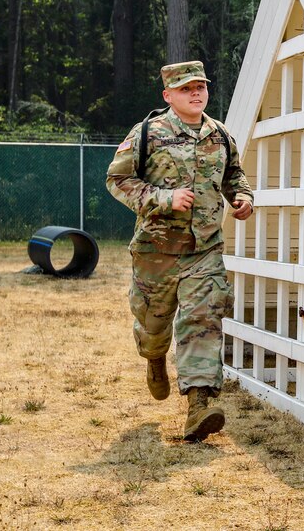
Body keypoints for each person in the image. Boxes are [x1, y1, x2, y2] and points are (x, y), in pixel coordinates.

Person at [106, 60, 253, 442]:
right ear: (168, 95)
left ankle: (199, 406)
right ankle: (154, 357)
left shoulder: (219, 134)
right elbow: (117, 180)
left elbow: (234, 175)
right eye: (187, 88)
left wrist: (242, 198)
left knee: (202, 321)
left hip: (204, 250)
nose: (196, 93)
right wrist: (162, 198)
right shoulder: (147, 133)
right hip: (156, 250)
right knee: (154, 324)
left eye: (201, 86)